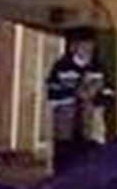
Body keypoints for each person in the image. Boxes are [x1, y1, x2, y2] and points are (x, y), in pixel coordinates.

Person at [45, 28, 113, 174]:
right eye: (83, 45)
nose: (87, 49)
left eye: (89, 45)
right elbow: (52, 94)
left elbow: (109, 92)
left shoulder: (98, 68)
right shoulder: (61, 67)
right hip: (66, 125)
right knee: (65, 157)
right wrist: (74, 93)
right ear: (73, 47)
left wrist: (95, 97)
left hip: (90, 124)